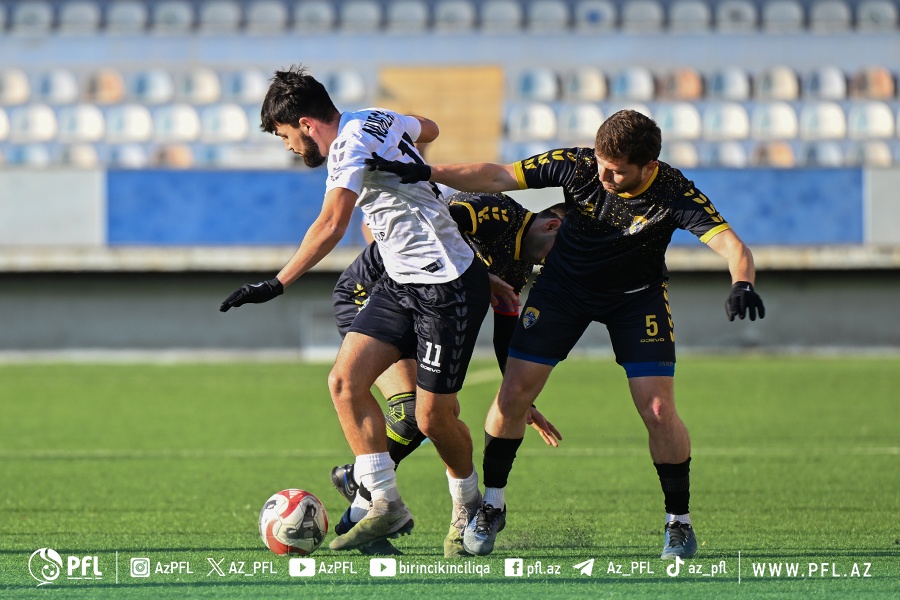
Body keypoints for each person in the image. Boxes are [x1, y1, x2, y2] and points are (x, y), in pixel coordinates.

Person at [366, 109, 766, 560]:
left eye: (618, 170)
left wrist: (742, 283)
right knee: (513, 393)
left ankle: (678, 522)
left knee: (657, 409)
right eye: (601, 163)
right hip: (562, 291)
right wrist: (425, 171)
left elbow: (732, 245)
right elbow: (499, 175)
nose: (606, 176)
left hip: (636, 299)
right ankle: (492, 506)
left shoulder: (674, 192)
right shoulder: (577, 164)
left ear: (648, 167)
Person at [218, 65, 492, 553]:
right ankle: (385, 503)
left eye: (284, 135)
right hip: (401, 280)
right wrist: (404, 147)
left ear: (305, 123)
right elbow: (428, 127)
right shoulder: (373, 119)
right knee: (344, 382)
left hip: (446, 284)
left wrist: (276, 283)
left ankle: (470, 504)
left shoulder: (346, 147)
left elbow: (331, 224)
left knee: (433, 418)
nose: (287, 147)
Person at [330, 192, 566, 557]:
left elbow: (506, 331)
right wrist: (482, 275)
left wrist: (523, 399)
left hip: (430, 307)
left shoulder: (518, 267)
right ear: (553, 225)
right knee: (412, 411)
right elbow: (431, 230)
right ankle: (370, 494)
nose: (554, 264)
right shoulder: (493, 209)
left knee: (431, 416)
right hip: (372, 293)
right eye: (559, 252)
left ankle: (365, 485)